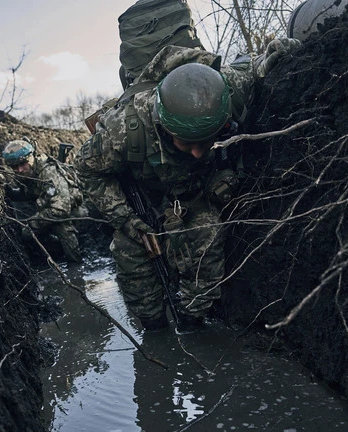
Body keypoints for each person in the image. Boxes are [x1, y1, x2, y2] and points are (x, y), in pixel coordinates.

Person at [74, 41, 299, 333]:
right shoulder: (123, 129)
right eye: (186, 143)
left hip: (194, 195)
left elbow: (253, 68)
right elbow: (87, 170)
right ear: (163, 126)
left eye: (206, 141)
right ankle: (154, 329)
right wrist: (127, 220)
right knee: (135, 269)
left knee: (208, 241)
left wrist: (273, 56)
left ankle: (192, 324)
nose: (197, 153)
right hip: (144, 201)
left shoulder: (226, 91)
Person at [3, 138, 86, 263]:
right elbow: (29, 194)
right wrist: (11, 193)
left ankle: (76, 264)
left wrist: (32, 224)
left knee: (61, 226)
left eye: (23, 163)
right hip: (48, 209)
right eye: (14, 166)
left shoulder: (48, 172)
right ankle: (55, 251)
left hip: (74, 213)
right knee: (27, 234)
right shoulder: (27, 173)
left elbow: (61, 209)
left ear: (32, 157)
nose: (19, 170)